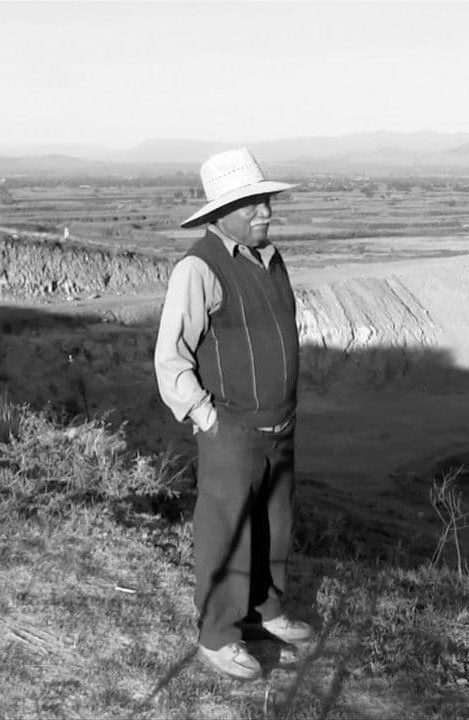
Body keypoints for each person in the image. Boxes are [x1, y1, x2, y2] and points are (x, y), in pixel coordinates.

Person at [154, 148, 311, 681]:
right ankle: (218, 635)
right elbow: (171, 356)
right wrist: (206, 417)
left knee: (275, 525)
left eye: (266, 201)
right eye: (252, 204)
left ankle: (266, 611)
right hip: (231, 429)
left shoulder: (271, 259)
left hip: (280, 425)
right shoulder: (199, 267)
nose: (265, 212)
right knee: (226, 532)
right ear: (222, 213)